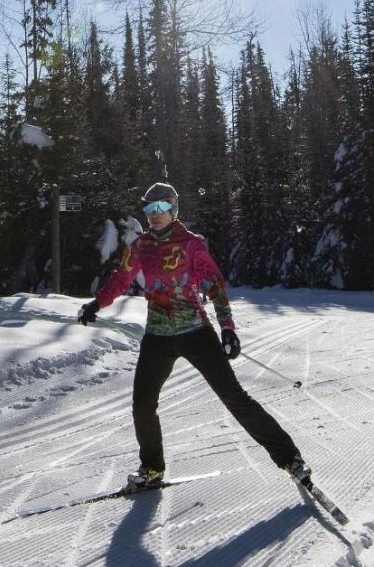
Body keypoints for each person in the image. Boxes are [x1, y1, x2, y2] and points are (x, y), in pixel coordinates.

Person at [78, 182, 308, 492]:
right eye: (149, 209)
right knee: (143, 404)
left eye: (161, 209)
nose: (154, 215)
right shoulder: (140, 246)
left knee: (234, 397)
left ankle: (290, 457)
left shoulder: (191, 244)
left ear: (173, 210)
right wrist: (96, 303)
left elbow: (214, 286)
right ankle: (152, 469)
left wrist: (227, 328)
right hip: (158, 336)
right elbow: (121, 279)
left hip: (195, 332)